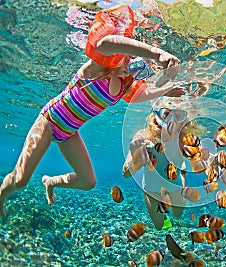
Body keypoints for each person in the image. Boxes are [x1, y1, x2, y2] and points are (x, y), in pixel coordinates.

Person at [0, 5, 186, 218]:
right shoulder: (96, 69)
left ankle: (50, 182)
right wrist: (156, 53)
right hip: (50, 121)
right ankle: (1, 196)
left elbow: (139, 97)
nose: (131, 66)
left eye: (138, 67)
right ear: (124, 52)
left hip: (69, 132)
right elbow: (104, 43)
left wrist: (166, 90)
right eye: (130, 58)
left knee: (88, 182)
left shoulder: (125, 85)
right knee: (20, 180)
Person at [122, 98, 206, 229]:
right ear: (156, 115)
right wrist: (134, 156)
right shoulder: (144, 136)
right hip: (151, 186)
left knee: (178, 214)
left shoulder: (185, 138)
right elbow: (126, 174)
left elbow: (202, 159)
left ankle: (181, 174)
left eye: (178, 115)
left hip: (175, 182)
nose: (172, 121)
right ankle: (180, 173)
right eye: (167, 114)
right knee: (159, 225)